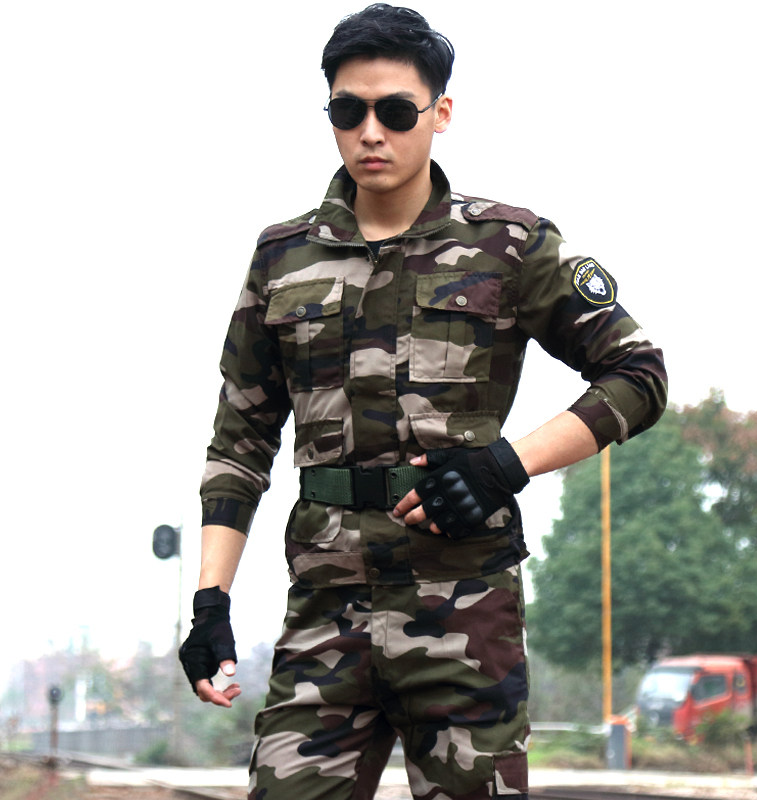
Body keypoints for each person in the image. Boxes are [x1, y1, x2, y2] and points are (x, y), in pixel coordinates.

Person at [178, 5, 668, 799]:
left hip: (464, 617)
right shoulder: (283, 257)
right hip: (324, 614)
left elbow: (638, 374)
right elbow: (240, 440)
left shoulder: (509, 244)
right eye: (348, 111)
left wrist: (505, 466)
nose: (370, 132)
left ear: (439, 114)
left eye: (395, 111)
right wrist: (209, 600)